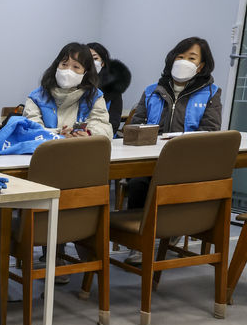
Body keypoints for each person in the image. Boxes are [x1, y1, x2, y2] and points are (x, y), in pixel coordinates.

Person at [126, 36, 222, 215]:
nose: (184, 62)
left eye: (192, 58)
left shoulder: (211, 93)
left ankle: (170, 231)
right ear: (172, 59)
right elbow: (135, 127)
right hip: (151, 161)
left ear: (200, 66)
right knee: (137, 183)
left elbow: (210, 131)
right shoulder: (152, 91)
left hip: (187, 162)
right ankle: (139, 235)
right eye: (180, 56)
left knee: (173, 186)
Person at [23, 42, 113, 140]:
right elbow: (31, 130)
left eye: (76, 67)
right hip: (45, 150)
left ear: (85, 72)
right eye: (64, 64)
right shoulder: (37, 97)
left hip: (81, 150)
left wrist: (89, 134)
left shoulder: (94, 96)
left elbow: (104, 127)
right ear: (56, 66)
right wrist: (58, 134)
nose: (68, 71)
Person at [87, 42, 132, 134]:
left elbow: (114, 123)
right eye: (87, 59)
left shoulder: (112, 88)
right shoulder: (74, 85)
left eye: (95, 58)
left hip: (102, 137)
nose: (91, 62)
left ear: (102, 62)